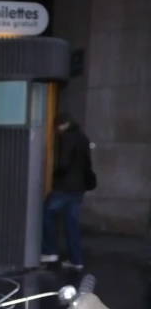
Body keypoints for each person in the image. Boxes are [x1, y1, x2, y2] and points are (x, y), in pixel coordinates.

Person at [41, 111, 95, 271]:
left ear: (61, 124)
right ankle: (76, 259)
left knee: (46, 212)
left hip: (65, 187)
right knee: (72, 224)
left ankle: (49, 251)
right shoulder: (83, 137)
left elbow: (63, 163)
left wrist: (54, 174)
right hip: (79, 189)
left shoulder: (68, 137)